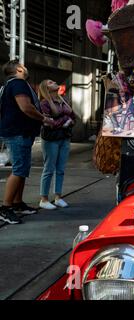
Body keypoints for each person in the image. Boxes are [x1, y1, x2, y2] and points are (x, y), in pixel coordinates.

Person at [0, 60, 54, 224]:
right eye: (23, 66)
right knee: (18, 169)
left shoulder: (11, 84)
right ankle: (6, 207)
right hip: (18, 133)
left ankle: (17, 203)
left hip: (19, 132)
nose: (26, 68)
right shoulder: (18, 83)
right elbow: (25, 107)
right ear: (18, 69)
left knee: (22, 169)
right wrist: (43, 118)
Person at [38, 79, 76, 210]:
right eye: (49, 82)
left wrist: (68, 121)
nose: (54, 82)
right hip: (51, 139)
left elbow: (74, 117)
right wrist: (66, 120)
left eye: (53, 81)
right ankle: (43, 199)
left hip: (64, 138)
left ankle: (58, 197)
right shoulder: (44, 103)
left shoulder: (63, 100)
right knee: (49, 169)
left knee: (60, 169)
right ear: (46, 89)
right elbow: (47, 123)